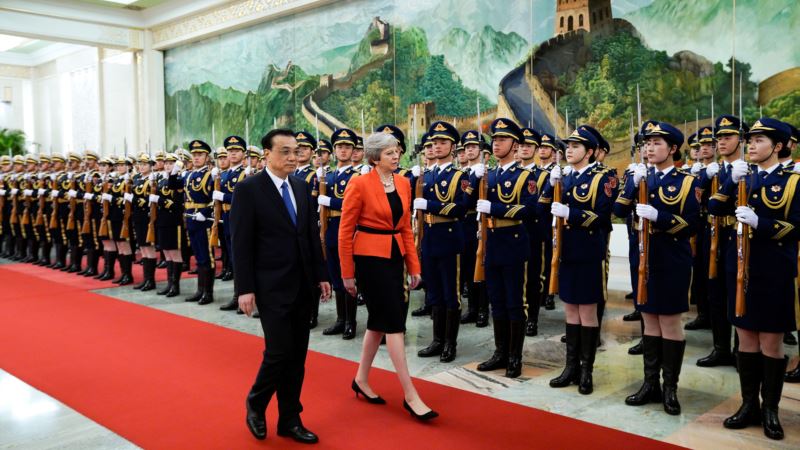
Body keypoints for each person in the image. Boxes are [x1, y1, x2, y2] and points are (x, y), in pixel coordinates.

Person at [232, 128, 331, 444]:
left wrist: (322, 275)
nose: (292, 157)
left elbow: (310, 235)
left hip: (303, 284)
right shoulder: (249, 189)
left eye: (296, 151)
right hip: (270, 285)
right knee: (278, 352)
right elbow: (241, 243)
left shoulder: (300, 186)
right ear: (267, 154)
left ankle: (290, 419)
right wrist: (244, 288)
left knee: (297, 357)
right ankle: (256, 402)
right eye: (285, 151)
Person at [708, 118, 798, 440]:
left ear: (778, 146)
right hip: (741, 269)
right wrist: (729, 182)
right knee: (745, 338)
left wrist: (763, 224)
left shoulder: (793, 182)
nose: (752, 145)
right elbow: (714, 207)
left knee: (770, 342)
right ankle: (749, 405)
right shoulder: (744, 176)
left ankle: (770, 409)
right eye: (751, 140)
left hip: (774, 270)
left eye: (760, 140)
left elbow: (797, 227)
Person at [338, 132, 437, 420]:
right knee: (394, 323)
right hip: (369, 260)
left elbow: (405, 227)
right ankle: (410, 393)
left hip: (395, 258)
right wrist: (347, 274)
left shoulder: (403, 183)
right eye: (390, 153)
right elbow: (345, 231)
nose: (396, 156)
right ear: (374, 158)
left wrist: (414, 266)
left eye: (397, 152)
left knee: (378, 322)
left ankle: (361, 379)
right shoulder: (359, 184)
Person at [615, 122, 699, 415]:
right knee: (650, 322)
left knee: (670, 323)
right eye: (646, 144)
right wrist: (632, 185)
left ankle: (670, 388)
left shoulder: (687, 182)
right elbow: (618, 210)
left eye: (656, 143)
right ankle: (650, 383)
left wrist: (659, 217)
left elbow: (692, 225)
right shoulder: (639, 177)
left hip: (672, 260)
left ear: (673, 148)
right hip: (645, 261)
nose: (649, 148)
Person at [541, 126, 614, 395]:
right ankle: (570, 367)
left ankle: (586, 371)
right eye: (568, 146)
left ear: (590, 151)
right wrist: (550, 186)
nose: (569, 150)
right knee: (570, 309)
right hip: (566, 251)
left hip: (588, 251)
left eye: (575, 146)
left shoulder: (603, 177)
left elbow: (603, 217)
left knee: (587, 312)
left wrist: (571, 213)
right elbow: (541, 207)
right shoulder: (564, 176)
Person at [473, 119, 538, 378]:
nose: (496, 143)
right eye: (495, 139)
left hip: (513, 242)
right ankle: (500, 352)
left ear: (515, 145)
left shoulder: (525, 176)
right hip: (492, 242)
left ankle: (514, 357)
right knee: (497, 301)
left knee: (515, 302)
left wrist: (496, 209)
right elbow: (469, 201)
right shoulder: (489, 174)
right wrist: (473, 178)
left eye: (502, 139)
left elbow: (530, 210)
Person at [414, 121, 467, 363]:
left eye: (443, 142)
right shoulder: (425, 175)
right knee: (433, 292)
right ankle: (437, 340)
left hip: (449, 237)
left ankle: (450, 343)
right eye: (434, 142)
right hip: (429, 237)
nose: (436, 146)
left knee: (450, 293)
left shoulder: (459, 176)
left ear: (453, 147)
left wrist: (430, 205)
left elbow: (461, 208)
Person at [697, 115, 745, 368]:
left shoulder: (748, 170)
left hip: (738, 236)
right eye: (719, 138)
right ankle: (720, 348)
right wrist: (705, 177)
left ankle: (741, 350)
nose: (722, 142)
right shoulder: (712, 170)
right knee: (715, 292)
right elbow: (694, 198)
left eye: (728, 137)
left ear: (741, 140)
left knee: (738, 291)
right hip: (713, 235)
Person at [318, 129, 361, 339]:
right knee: (335, 277)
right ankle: (340, 319)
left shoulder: (357, 177)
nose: (343, 150)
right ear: (334, 151)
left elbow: (354, 205)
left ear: (353, 151)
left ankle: (351, 322)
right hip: (330, 229)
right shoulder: (328, 176)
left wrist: (330, 201)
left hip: (348, 230)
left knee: (348, 276)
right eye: (339, 147)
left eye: (347, 147)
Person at [184, 140, 216, 305]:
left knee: (207, 257)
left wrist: (205, 213)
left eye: (200, 155)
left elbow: (214, 200)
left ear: (206, 157)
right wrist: (172, 174)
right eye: (194, 155)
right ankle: (200, 290)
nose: (196, 158)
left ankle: (208, 293)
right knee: (198, 256)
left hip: (203, 220)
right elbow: (175, 188)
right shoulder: (189, 174)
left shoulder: (210, 175)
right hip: (191, 219)